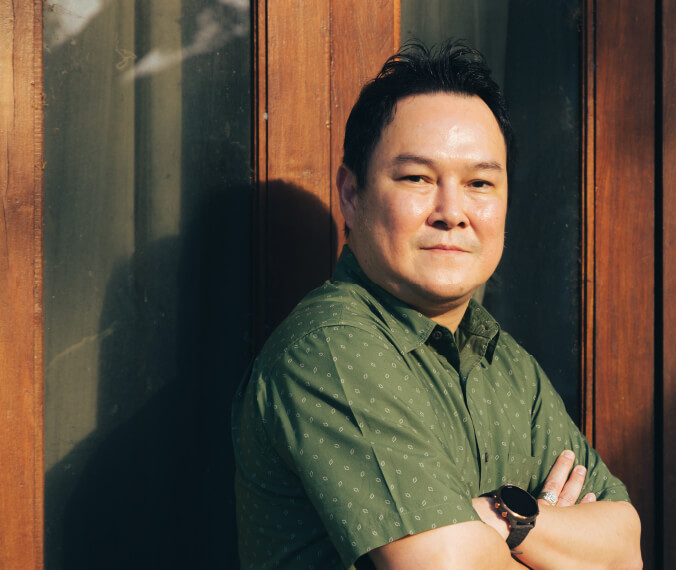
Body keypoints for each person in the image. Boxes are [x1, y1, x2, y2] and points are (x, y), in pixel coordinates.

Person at [232, 41, 642, 570]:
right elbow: (445, 565)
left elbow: (624, 550)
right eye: (417, 178)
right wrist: (550, 540)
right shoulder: (330, 348)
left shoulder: (506, 364)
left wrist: (503, 519)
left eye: (479, 183)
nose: (452, 211)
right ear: (352, 195)